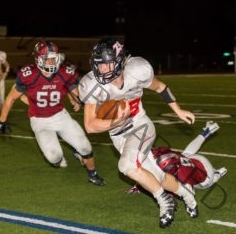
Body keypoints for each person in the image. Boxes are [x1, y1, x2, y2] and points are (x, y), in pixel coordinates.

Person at [78, 36, 197, 228]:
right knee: (155, 177)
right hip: (118, 135)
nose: (101, 70)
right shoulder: (91, 84)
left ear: (119, 62)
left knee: (127, 166)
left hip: (140, 126)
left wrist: (178, 110)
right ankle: (187, 194)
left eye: (106, 65)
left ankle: (164, 201)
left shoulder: (137, 70)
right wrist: (117, 120)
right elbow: (90, 126)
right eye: (98, 65)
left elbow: (160, 87)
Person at [0, 40, 105, 186]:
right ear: (38, 60)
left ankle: (92, 174)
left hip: (60, 116)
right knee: (54, 158)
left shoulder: (64, 72)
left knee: (85, 147)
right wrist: (2, 120)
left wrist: (77, 99)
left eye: (53, 57)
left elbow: (75, 91)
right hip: (40, 121)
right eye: (46, 58)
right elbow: (10, 98)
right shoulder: (29, 74)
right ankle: (62, 156)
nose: (51, 61)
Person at [126, 121, 227, 200]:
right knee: (185, 154)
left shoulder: (180, 176)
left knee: (201, 184)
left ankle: (218, 173)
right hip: (196, 160)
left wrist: (139, 186)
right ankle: (206, 132)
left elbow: (188, 193)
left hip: (207, 178)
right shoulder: (167, 155)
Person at [0, 49, 10, 127]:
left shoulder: (0, 54)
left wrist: (6, 72)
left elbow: (7, 65)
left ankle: (3, 119)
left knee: (1, 102)